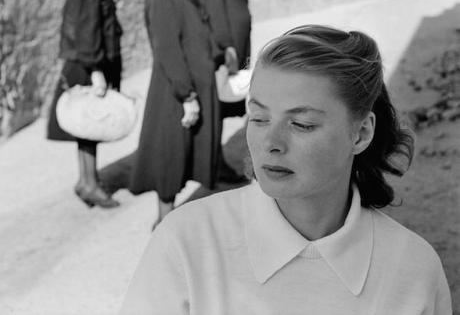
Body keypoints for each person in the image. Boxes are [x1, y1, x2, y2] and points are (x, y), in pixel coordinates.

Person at [119, 25, 452, 314]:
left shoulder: (413, 269)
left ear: (361, 133)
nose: (270, 142)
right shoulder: (186, 242)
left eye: (301, 124)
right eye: (259, 118)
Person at [129, 0, 222, 225]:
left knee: (187, 153)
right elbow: (167, 49)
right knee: (171, 155)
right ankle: (163, 225)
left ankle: (172, 224)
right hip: (175, 92)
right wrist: (187, 96)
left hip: (195, 86)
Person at [47, 0, 122, 208]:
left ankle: (86, 180)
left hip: (87, 63)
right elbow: (87, 32)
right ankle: (89, 184)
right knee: (91, 125)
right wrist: (96, 72)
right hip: (88, 65)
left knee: (86, 128)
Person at [203, 0, 252, 118]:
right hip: (231, 38)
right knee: (228, 84)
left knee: (238, 81)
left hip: (239, 35)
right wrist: (226, 43)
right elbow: (215, 5)